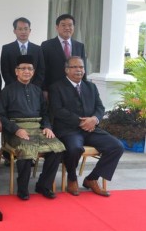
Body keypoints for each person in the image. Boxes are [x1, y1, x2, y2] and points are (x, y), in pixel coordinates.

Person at [49, 56, 124, 197]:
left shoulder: (91, 86)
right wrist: (81, 122)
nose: (79, 70)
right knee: (75, 148)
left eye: (81, 67)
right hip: (69, 130)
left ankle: (92, 179)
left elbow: (100, 107)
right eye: (75, 67)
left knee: (117, 147)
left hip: (91, 129)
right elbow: (57, 111)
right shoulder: (56, 87)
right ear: (66, 70)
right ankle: (72, 178)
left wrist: (94, 119)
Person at [0, 55, 65, 200]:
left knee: (58, 148)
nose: (26, 71)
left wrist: (47, 126)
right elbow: (1, 116)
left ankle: (43, 185)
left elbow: (45, 113)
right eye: (23, 69)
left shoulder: (37, 91)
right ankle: (22, 188)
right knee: (27, 148)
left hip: (37, 128)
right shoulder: (7, 91)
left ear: (33, 72)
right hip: (15, 130)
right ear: (16, 71)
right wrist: (16, 129)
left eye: (29, 69)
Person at [41, 14, 86, 94]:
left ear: (73, 27)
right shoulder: (46, 45)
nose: (67, 28)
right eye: (63, 25)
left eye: (70, 25)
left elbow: (83, 68)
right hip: (53, 89)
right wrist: (44, 90)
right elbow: (43, 69)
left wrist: (84, 88)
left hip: (75, 89)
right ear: (57, 27)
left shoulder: (80, 46)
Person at [1, 17, 45, 88]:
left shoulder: (38, 49)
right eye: (20, 29)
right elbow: (5, 71)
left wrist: (33, 87)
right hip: (12, 89)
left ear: (30, 30)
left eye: (26, 29)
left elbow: (41, 71)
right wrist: (16, 86)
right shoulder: (7, 49)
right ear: (14, 31)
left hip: (33, 89)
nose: (23, 32)